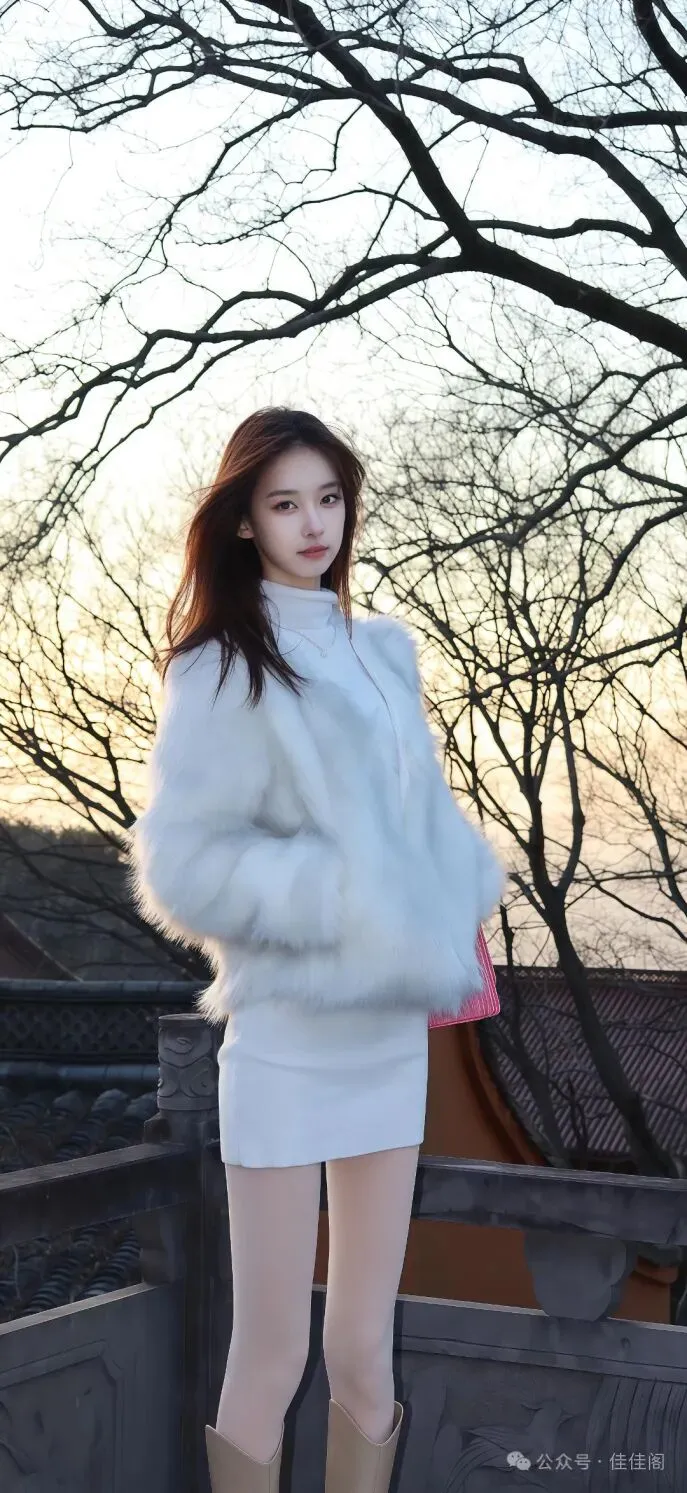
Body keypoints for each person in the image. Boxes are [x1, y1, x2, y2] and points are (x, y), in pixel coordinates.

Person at [127, 407, 507, 1493]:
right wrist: (336, 892)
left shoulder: (383, 653)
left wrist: (445, 893)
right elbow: (185, 864)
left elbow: (421, 821)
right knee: (270, 1350)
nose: (313, 524)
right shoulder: (217, 664)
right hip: (286, 1039)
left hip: (385, 1035)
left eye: (329, 498)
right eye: (285, 502)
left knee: (363, 1347)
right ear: (245, 520)